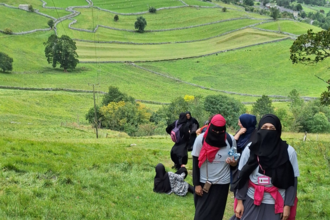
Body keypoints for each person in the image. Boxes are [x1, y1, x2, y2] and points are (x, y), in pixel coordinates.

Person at [230, 114, 299, 220]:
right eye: (264, 127)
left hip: (275, 203)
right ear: (259, 129)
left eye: (272, 128)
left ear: (278, 131)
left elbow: (292, 182)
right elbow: (242, 176)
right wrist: (239, 201)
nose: (268, 131)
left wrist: (288, 206)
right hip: (251, 199)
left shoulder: (288, 152)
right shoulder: (250, 148)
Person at [192, 114, 238, 220]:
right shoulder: (200, 140)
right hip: (203, 183)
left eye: (220, 131)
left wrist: (233, 163)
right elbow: (195, 163)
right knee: (200, 215)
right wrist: (196, 184)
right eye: (215, 131)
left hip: (222, 184)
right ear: (210, 127)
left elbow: (234, 163)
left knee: (217, 215)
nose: (217, 133)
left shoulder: (230, 140)